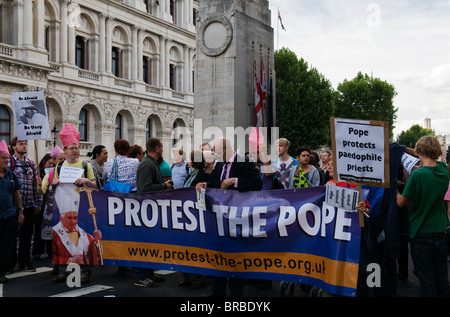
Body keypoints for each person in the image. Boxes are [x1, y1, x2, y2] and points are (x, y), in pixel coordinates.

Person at [196, 137, 262, 297]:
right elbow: (216, 184)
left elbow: (257, 182)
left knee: (235, 255)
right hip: (220, 217)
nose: (217, 156)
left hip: (238, 215)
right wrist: (205, 184)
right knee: (219, 254)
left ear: (227, 149)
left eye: (219, 153)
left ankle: (235, 293)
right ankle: (217, 291)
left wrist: (236, 181)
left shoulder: (243, 162)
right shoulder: (219, 165)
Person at [397, 136, 450, 297]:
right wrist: (406, 149)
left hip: (421, 233)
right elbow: (427, 154)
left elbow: (400, 202)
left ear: (419, 152)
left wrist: (394, 186)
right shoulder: (443, 170)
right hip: (441, 230)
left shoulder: (417, 175)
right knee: (442, 278)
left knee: (427, 281)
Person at [47, 123, 97, 283]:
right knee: (61, 239)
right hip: (62, 206)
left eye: (76, 147)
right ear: (65, 149)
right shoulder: (60, 166)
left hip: (81, 207)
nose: (75, 150)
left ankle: (84, 272)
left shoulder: (85, 165)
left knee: (81, 239)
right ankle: (63, 271)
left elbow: (96, 185)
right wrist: (53, 181)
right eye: (71, 148)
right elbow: (53, 182)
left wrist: (86, 180)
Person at [134, 138, 173, 287]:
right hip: (145, 209)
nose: (163, 149)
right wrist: (164, 186)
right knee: (143, 244)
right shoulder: (147, 164)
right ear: (157, 148)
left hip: (151, 208)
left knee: (149, 243)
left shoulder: (150, 163)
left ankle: (148, 273)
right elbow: (145, 188)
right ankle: (141, 276)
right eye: (161, 147)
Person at [52, 183, 102, 283]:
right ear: (61, 218)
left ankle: (84, 273)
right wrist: (70, 260)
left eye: (75, 218)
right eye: (69, 218)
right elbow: (55, 253)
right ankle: (63, 272)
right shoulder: (55, 232)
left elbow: (93, 249)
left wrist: (96, 241)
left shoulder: (82, 233)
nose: (73, 222)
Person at [8, 137, 42, 273]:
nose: (24, 146)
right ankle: (9, 264)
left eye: (25, 144)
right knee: (10, 236)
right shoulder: (10, 163)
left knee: (27, 236)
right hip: (13, 207)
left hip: (29, 205)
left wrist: (38, 203)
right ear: (13, 147)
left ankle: (25, 262)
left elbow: (36, 186)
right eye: (20, 144)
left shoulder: (32, 164)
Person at [178, 150, 211, 289]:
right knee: (184, 247)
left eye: (190, 159)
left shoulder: (202, 175)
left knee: (195, 248)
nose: (188, 161)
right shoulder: (190, 175)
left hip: (196, 215)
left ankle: (197, 279)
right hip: (186, 214)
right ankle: (186, 278)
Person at [0, 140, 24, 283]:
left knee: (7, 244)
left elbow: (17, 194)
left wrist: (20, 211)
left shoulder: (11, 175)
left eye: (8, 158)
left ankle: (2, 271)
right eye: (3, 157)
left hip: (9, 215)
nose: (6, 161)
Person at [32, 154, 54, 261]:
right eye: (49, 163)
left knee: (50, 228)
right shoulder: (38, 172)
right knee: (38, 228)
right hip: (40, 204)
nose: (51, 165)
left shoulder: (54, 174)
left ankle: (50, 251)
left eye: (53, 164)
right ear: (44, 162)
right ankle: (37, 251)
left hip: (50, 205)